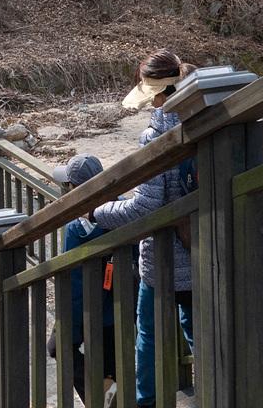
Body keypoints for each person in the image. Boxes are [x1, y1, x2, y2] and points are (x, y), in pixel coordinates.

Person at [88, 50, 196, 408]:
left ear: (157, 93)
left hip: (166, 257)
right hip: (207, 245)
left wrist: (98, 212)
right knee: (198, 329)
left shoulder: (157, 135)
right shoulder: (205, 113)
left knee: (147, 334)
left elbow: (147, 206)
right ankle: (221, 388)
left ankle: (146, 401)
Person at [47, 155, 117, 403]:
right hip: (116, 306)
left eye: (67, 185)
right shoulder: (118, 209)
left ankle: (97, 397)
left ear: (75, 188)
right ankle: (109, 397)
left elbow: (75, 280)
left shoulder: (77, 228)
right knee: (111, 366)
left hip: (85, 308)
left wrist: (68, 319)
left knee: (59, 347)